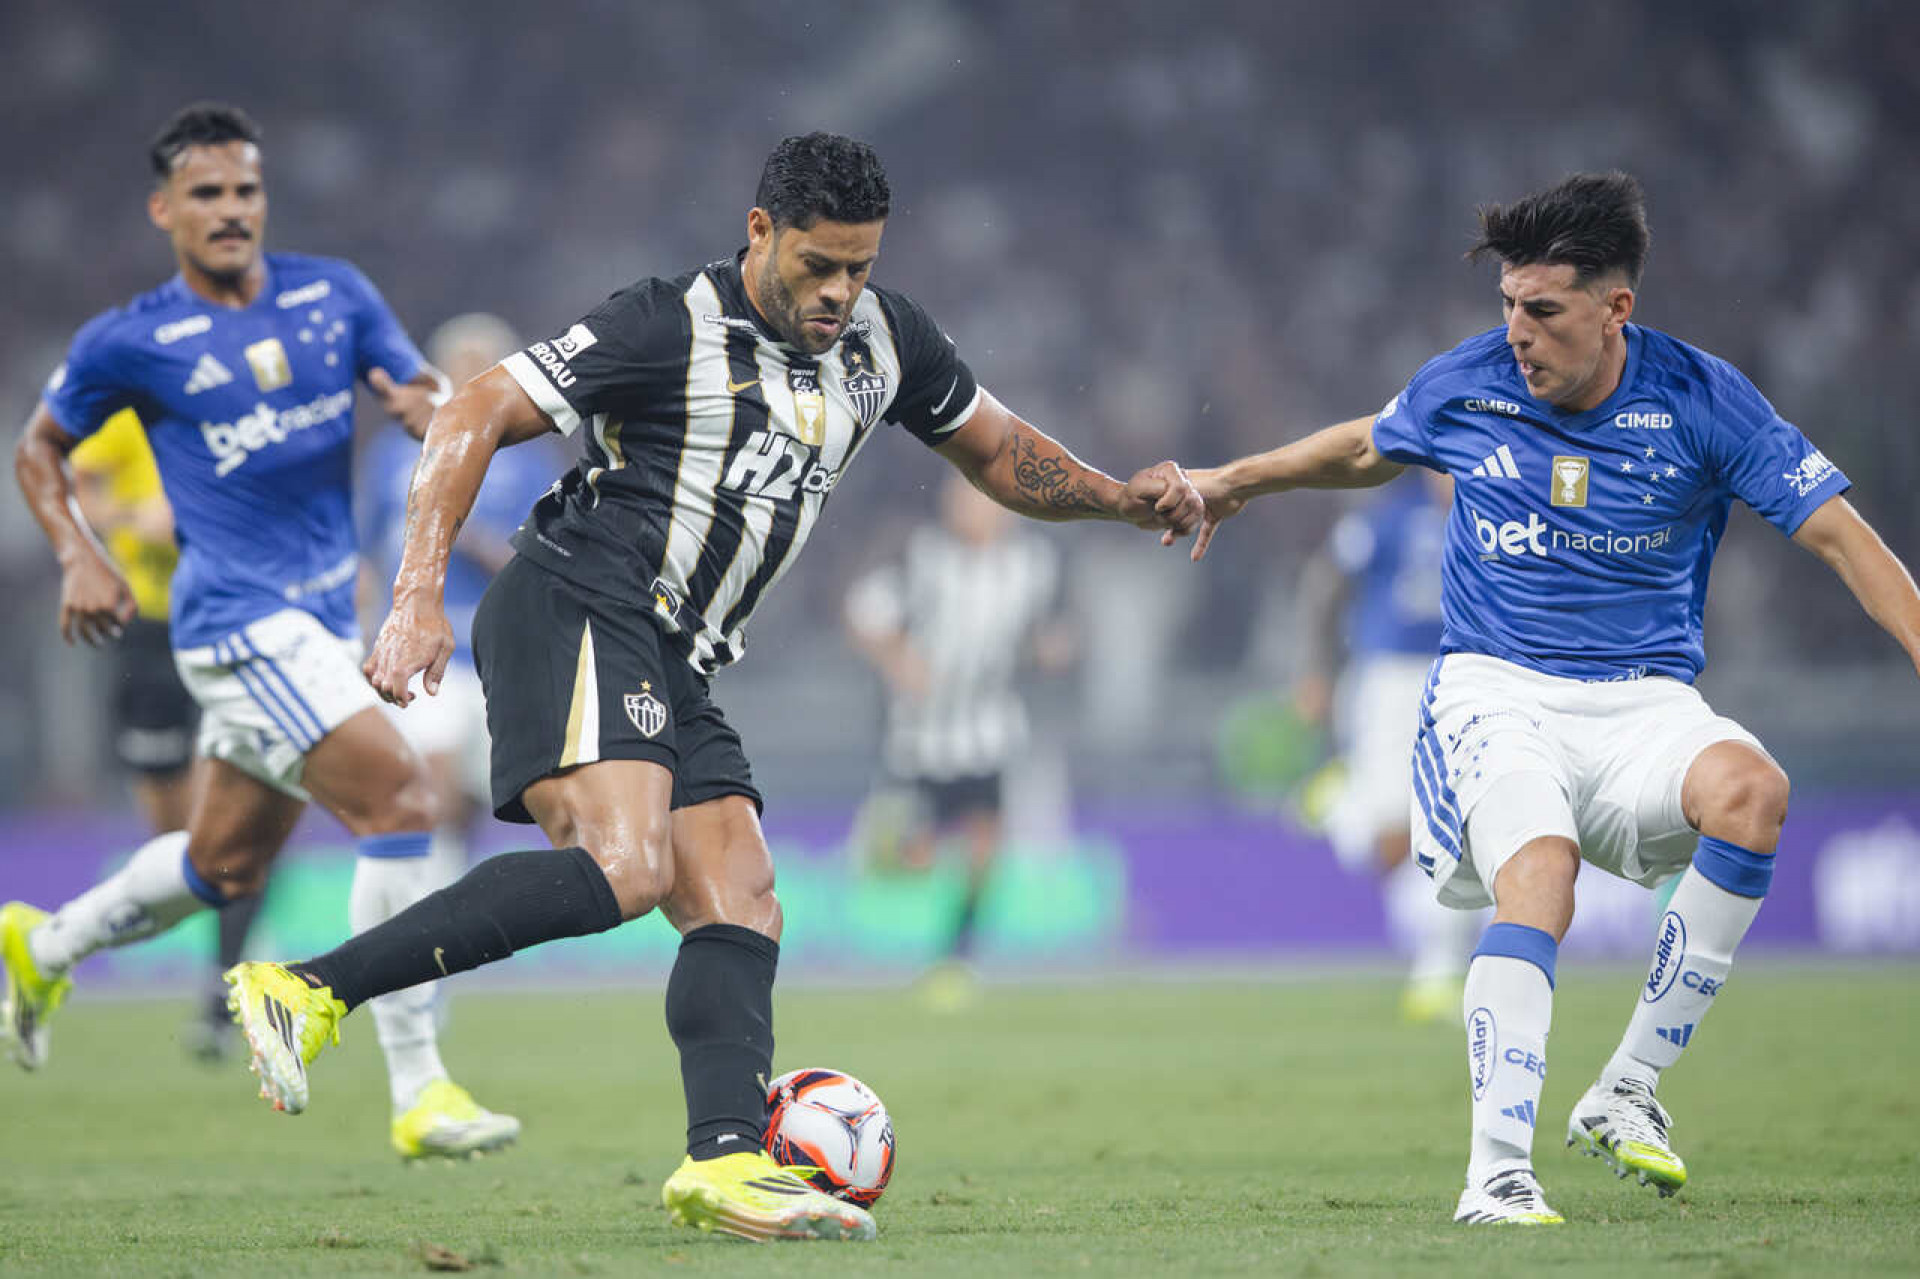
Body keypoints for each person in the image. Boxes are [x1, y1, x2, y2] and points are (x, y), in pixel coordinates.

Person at [221, 131, 1203, 1244]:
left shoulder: (889, 341)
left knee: (741, 894)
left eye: (860, 268)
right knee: (626, 865)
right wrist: (416, 593)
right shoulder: (665, 321)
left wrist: (1117, 499)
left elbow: (996, 449)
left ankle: (725, 1161)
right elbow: (473, 410)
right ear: (761, 232)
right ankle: (306, 990)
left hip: (678, 652)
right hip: (577, 599)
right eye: (818, 265)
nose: (838, 292)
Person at [1187, 172, 1920, 1225]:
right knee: (1540, 870)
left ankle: (1627, 1088)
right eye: (1507, 306)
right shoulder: (1469, 380)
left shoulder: (1702, 397)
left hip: (1644, 702)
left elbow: (1841, 535)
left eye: (1542, 310)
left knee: (1753, 791)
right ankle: (1496, 1173)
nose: (1517, 333)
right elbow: (1362, 447)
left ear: (1616, 307)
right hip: (1495, 687)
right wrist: (1235, 480)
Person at [3, 102, 520, 1160]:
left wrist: (436, 409)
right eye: (206, 193)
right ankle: (420, 1086)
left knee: (220, 865)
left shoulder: (334, 295)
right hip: (237, 625)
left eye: (244, 190)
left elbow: (417, 388)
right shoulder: (132, 339)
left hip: (322, 620)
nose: (230, 209)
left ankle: (42, 945)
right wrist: (80, 553)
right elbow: (39, 449)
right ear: (165, 210)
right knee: (402, 796)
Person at [68, 408, 263, 1059]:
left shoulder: (238, 411)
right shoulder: (123, 420)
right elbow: (80, 495)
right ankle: (63, 944)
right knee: (176, 837)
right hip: (148, 634)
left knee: (234, 817)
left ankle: (223, 991)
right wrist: (135, 516)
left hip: (230, 623)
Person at [843, 474, 1070, 1003]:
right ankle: (891, 856)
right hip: (920, 735)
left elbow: (1045, 632)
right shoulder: (922, 557)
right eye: (965, 499)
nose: (975, 511)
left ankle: (956, 955)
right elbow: (863, 611)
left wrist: (1052, 650)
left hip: (988, 729)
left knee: (985, 846)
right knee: (903, 856)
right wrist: (897, 657)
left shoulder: (1034, 565)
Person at [1290, 472, 1483, 1024]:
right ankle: (1343, 804)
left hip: (1467, 674)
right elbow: (1326, 583)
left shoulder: (1496, 507)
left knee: (1466, 826)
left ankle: (1437, 975)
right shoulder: (1391, 514)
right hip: (1391, 677)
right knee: (1392, 840)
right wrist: (1315, 668)